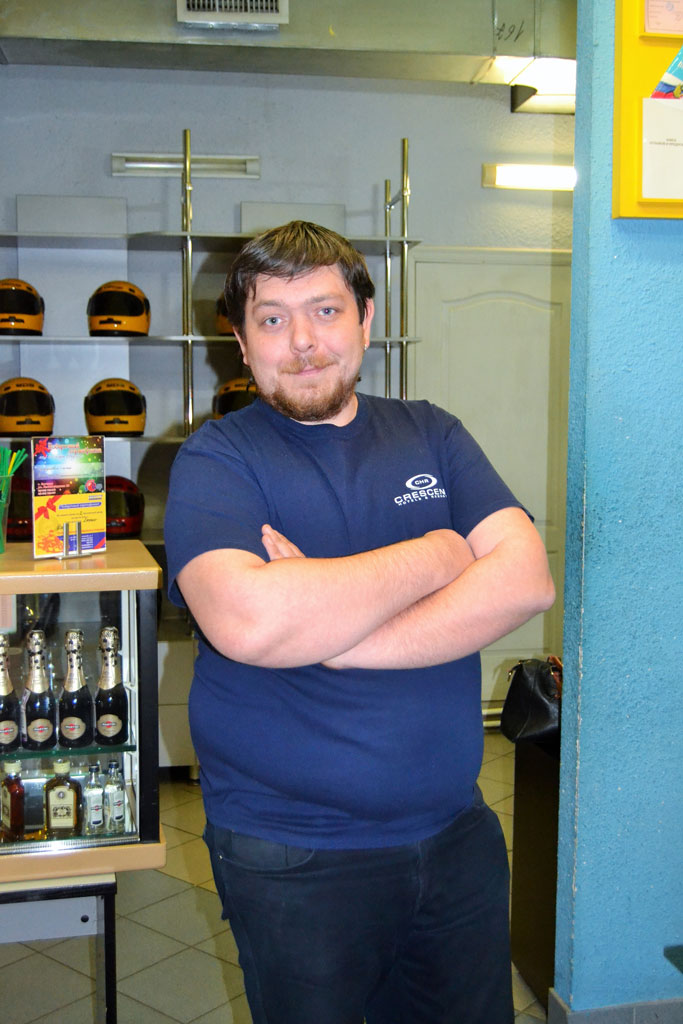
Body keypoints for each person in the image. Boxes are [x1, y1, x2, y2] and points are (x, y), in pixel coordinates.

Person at [163, 220, 555, 1024]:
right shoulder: (216, 460)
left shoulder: (432, 432)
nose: (303, 342)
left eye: (325, 311)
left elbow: (524, 582)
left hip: (456, 834)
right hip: (292, 851)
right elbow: (251, 624)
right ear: (241, 341)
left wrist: (335, 636)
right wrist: (439, 552)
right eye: (272, 319)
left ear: (365, 319)